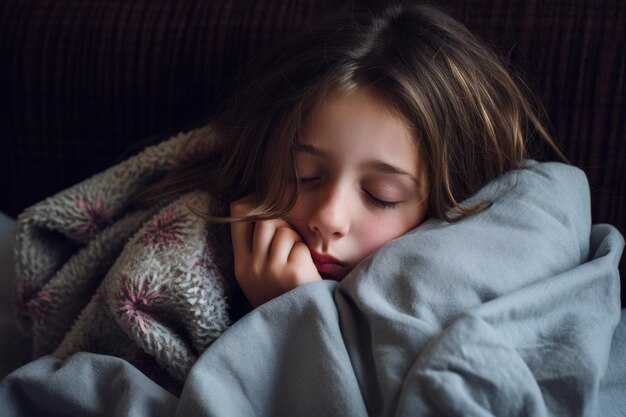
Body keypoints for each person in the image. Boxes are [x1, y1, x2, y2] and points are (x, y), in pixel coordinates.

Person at [133, 2, 564, 308]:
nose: (329, 218)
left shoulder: (462, 282)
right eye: (302, 174)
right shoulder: (192, 246)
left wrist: (293, 313)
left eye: (382, 195)